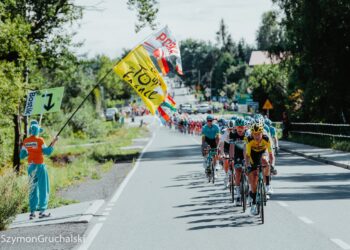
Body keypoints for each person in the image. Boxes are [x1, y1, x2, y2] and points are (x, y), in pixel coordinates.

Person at [20, 120, 58, 220]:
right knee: (43, 188)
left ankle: (32, 213)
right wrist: (54, 142)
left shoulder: (26, 141)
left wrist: (30, 152)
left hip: (30, 167)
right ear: (37, 131)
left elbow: (22, 155)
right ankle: (42, 212)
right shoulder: (40, 140)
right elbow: (47, 152)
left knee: (32, 189)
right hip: (40, 166)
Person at [245, 120, 274, 215]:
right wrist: (247, 166)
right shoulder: (249, 139)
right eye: (255, 134)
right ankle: (253, 204)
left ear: (262, 133)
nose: (257, 136)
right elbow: (247, 156)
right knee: (253, 180)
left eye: (258, 134)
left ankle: (268, 185)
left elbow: (271, 154)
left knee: (266, 162)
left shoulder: (266, 138)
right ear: (252, 133)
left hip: (263, 152)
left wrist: (272, 165)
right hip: (253, 155)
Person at [219, 118, 248, 206]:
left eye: (241, 127)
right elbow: (231, 147)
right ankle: (238, 195)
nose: (240, 129)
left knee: (250, 171)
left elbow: (248, 147)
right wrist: (231, 158)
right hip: (237, 154)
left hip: (247, 153)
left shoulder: (248, 134)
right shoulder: (233, 134)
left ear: (245, 127)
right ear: (235, 127)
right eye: (238, 127)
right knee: (238, 171)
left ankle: (250, 190)